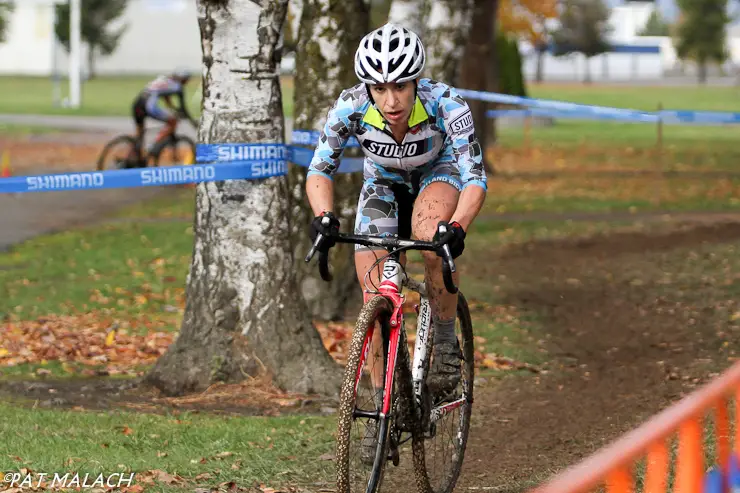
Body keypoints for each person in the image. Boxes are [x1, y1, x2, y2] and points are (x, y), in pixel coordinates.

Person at [305, 23, 487, 461]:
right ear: (367, 86)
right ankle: (381, 408)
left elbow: (475, 178)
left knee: (429, 237)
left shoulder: (447, 104)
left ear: (416, 82)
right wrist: (324, 218)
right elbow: (318, 170)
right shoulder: (349, 107)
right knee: (374, 290)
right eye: (380, 87)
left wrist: (457, 226)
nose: (391, 101)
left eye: (401, 86)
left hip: (438, 176)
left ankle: (444, 341)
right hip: (383, 186)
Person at [131, 67, 197, 163]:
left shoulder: (165, 80)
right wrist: (192, 122)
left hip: (138, 103)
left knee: (139, 134)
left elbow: (166, 99)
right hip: (149, 105)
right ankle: (153, 147)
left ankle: (133, 157)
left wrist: (173, 109)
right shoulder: (178, 87)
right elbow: (184, 110)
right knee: (173, 122)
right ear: (184, 79)